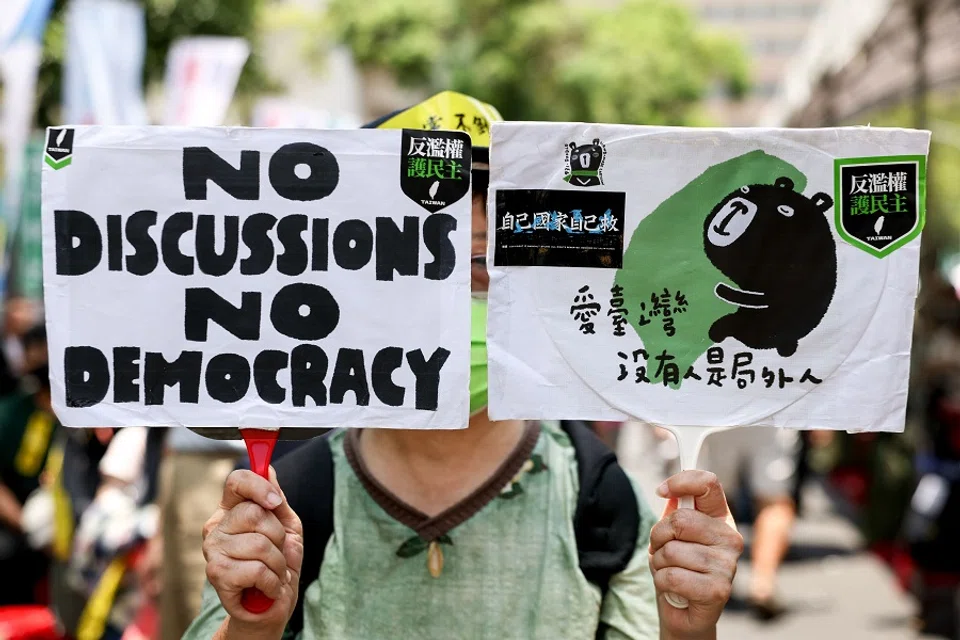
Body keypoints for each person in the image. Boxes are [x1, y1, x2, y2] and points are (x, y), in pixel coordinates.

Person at [184, 92, 743, 640]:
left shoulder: (597, 498)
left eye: (482, 260)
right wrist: (254, 625)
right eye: (415, 258)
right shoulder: (286, 500)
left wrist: (687, 628)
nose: (451, 291)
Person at [699, 426, 799, 620]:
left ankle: (720, 576)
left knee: (715, 498)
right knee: (774, 501)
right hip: (772, 411)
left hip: (719, 413)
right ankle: (763, 584)